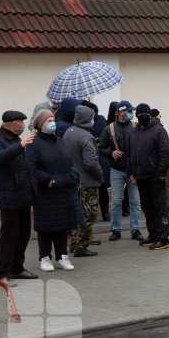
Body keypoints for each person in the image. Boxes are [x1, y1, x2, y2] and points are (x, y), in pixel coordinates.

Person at [26, 110, 84, 271]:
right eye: (48, 120)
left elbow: (69, 162)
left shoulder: (59, 140)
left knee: (62, 225)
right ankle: (44, 257)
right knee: (46, 227)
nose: (52, 123)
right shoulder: (34, 143)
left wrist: (72, 176)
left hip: (64, 190)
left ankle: (62, 256)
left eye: (53, 119)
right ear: (40, 124)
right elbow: (31, 167)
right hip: (46, 193)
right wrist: (48, 180)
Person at [0, 110, 38, 287]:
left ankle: (17, 268)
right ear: (11, 124)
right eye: (20, 122)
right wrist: (20, 145)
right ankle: (3, 273)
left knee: (23, 234)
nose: (22, 125)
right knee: (9, 236)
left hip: (23, 194)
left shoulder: (15, 140)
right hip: (9, 195)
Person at [127, 103, 169, 250]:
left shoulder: (159, 131)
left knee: (159, 208)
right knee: (147, 208)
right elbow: (130, 154)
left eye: (144, 114)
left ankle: (163, 238)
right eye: (138, 115)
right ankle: (152, 234)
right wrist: (131, 173)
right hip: (140, 177)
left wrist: (160, 173)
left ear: (149, 115)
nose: (141, 117)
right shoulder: (133, 133)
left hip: (155, 176)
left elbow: (166, 153)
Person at [98, 100, 144, 242]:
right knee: (117, 201)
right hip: (116, 170)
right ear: (120, 112)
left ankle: (135, 230)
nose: (131, 114)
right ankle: (116, 230)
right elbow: (100, 147)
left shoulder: (136, 127)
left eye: (131, 111)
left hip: (133, 171)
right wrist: (111, 153)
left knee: (135, 202)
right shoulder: (109, 129)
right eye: (128, 111)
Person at [63, 105, 103, 256]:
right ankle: (81, 247)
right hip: (87, 182)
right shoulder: (86, 136)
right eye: (91, 117)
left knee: (77, 214)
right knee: (90, 214)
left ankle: (74, 243)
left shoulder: (69, 132)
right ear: (87, 119)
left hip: (73, 180)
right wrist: (100, 176)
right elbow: (91, 162)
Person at [151, 108, 169, 213]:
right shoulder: (158, 128)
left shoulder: (156, 128)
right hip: (166, 159)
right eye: (160, 116)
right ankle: (167, 205)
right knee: (168, 183)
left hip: (165, 158)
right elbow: (163, 145)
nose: (161, 118)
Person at [85, 101, 111, 222]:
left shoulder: (86, 123)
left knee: (94, 189)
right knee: (103, 188)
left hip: (95, 158)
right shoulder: (102, 119)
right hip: (103, 159)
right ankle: (105, 213)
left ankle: (93, 215)